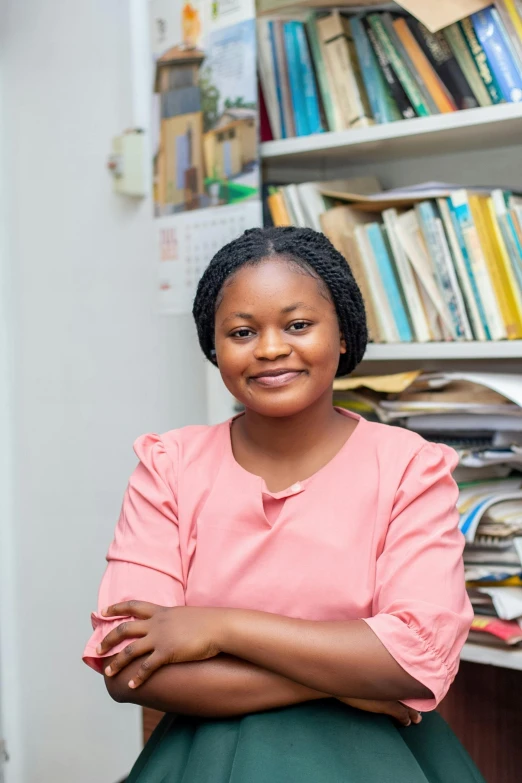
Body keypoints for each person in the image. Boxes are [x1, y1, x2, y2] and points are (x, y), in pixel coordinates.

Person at [83, 227, 484, 783]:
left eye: (298, 325)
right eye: (243, 331)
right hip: (204, 760)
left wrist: (219, 629)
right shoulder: (167, 468)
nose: (270, 347)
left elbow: (417, 656)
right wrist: (353, 679)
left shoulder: (409, 468)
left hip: (378, 760)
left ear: (343, 335)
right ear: (215, 348)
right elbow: (128, 671)